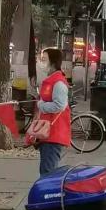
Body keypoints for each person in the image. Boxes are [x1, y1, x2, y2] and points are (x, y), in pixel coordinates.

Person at [36, 47, 72, 177]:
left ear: (52, 62)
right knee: (46, 170)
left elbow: (60, 105)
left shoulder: (58, 82)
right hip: (47, 132)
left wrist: (41, 105)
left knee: (48, 173)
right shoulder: (51, 80)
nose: (41, 62)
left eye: (44, 59)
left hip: (53, 133)